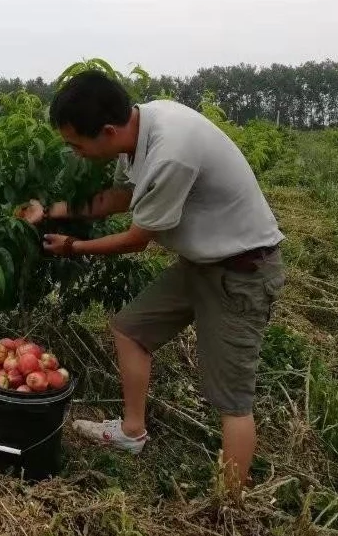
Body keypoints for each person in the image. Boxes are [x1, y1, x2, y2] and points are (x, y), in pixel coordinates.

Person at [19, 70, 285, 490]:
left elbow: (137, 239)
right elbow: (120, 198)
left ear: (107, 131)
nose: (74, 153)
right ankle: (131, 432)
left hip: (241, 272)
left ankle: (227, 506)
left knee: (231, 401)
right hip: (201, 262)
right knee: (130, 329)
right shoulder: (141, 126)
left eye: (76, 144)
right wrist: (50, 210)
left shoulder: (170, 153)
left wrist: (72, 248)